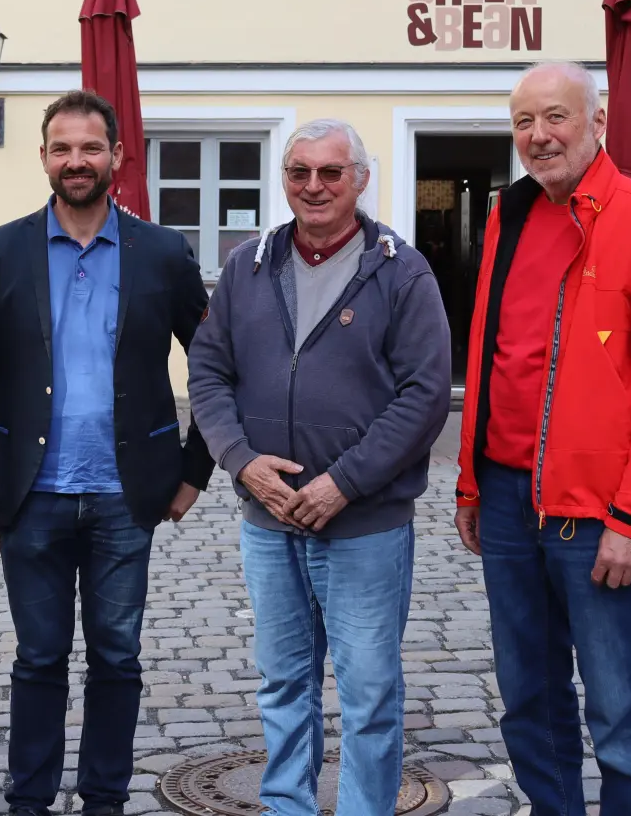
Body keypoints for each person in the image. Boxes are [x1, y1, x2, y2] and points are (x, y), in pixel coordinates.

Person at [0, 90, 214, 816]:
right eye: (62, 148)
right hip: (29, 494)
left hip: (127, 493)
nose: (76, 161)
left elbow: (215, 365)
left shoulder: (163, 253)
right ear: (43, 157)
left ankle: (104, 799)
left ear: (117, 157)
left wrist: (194, 469)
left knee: (116, 658)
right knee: (38, 658)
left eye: (90, 147)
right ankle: (29, 800)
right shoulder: (1, 251)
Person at [454, 60, 631, 816]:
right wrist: (470, 480)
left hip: (597, 511)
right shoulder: (510, 215)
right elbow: (490, 352)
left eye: (555, 116)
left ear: (596, 123)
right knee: (528, 696)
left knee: (618, 708)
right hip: (506, 498)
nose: (539, 135)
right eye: (524, 122)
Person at [188, 119, 451, 816]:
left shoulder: (401, 271)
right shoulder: (247, 267)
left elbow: (425, 395)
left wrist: (344, 482)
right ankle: (287, 805)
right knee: (282, 683)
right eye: (299, 172)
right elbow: (208, 372)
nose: (314, 186)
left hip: (365, 525)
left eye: (331, 172)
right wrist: (241, 461)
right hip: (268, 521)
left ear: (359, 180)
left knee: (368, 693)